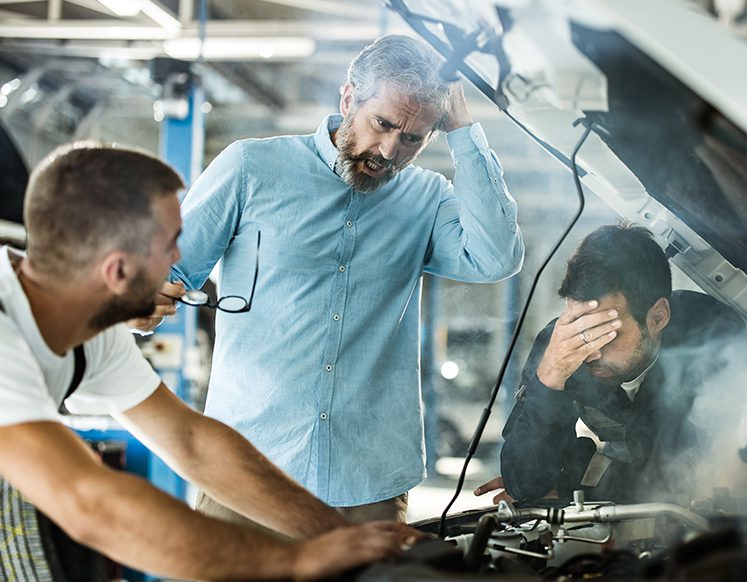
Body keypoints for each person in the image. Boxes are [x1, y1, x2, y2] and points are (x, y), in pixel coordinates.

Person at [132, 34, 524, 528]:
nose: (388, 150)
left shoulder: (427, 197)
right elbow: (166, 272)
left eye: (412, 139)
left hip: (369, 486)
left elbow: (495, 258)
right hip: (248, 475)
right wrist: (142, 302)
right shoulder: (251, 167)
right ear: (348, 99)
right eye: (382, 124)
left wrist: (464, 130)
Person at [0, 142, 420, 582]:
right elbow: (91, 504)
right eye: (169, 245)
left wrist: (340, 539)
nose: (178, 259)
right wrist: (293, 563)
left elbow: (191, 442)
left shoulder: (90, 329)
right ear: (117, 272)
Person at [475, 225, 747, 506]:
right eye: (581, 327)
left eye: (607, 333)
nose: (589, 351)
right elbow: (524, 483)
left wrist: (573, 486)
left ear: (657, 318)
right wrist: (550, 376)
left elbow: (694, 476)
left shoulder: (710, 334)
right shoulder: (562, 346)